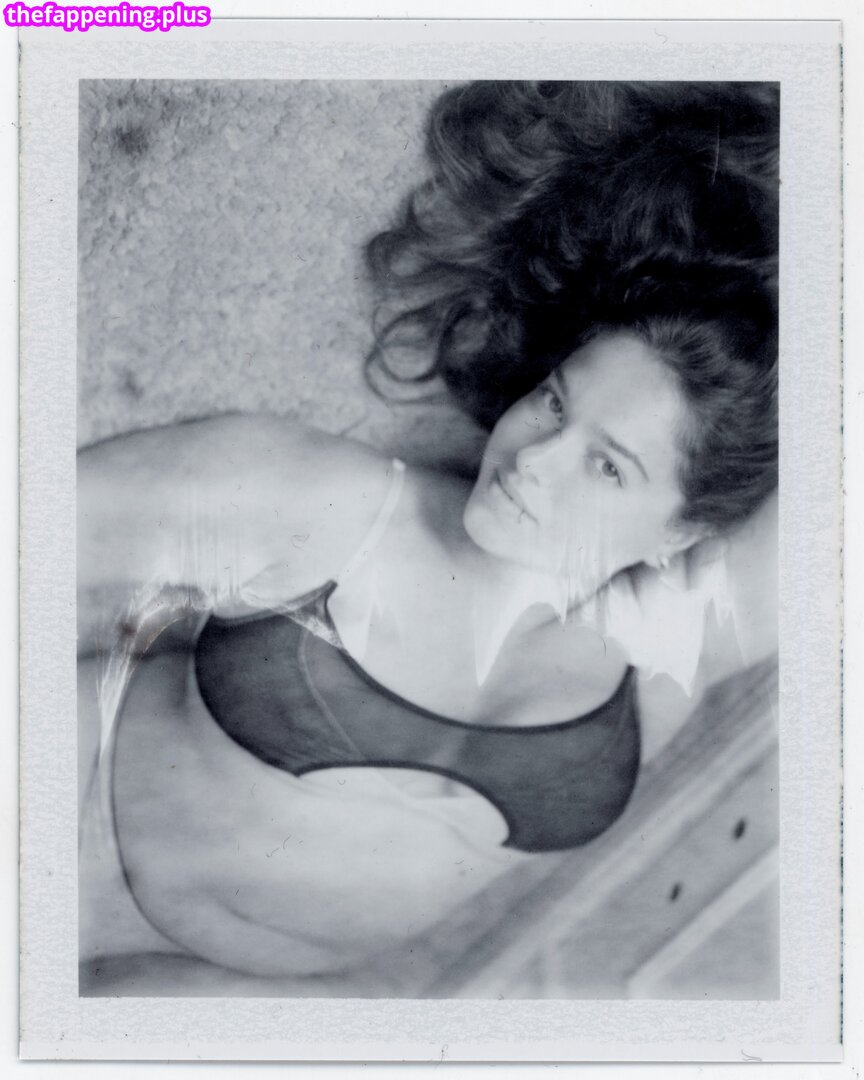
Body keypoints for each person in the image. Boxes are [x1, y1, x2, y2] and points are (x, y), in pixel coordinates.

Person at [77, 80, 778, 989]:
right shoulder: (324, 505)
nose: (535, 459)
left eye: (607, 466)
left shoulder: (670, 645)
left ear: (682, 531)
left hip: (212, 982)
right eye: (554, 402)